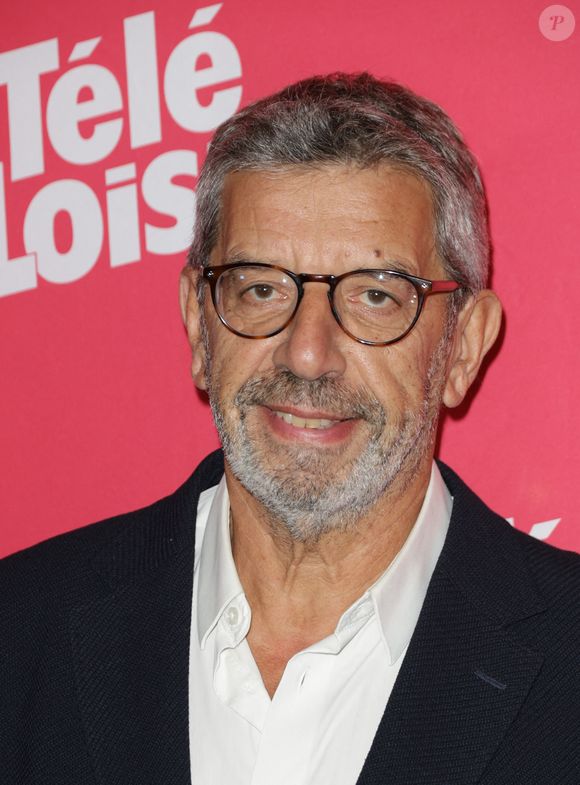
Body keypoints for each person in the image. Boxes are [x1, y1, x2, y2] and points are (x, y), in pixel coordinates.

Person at [1, 73, 579, 785]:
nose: (308, 352)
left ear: (462, 346)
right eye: (261, 287)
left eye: (374, 295)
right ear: (197, 323)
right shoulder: (20, 634)